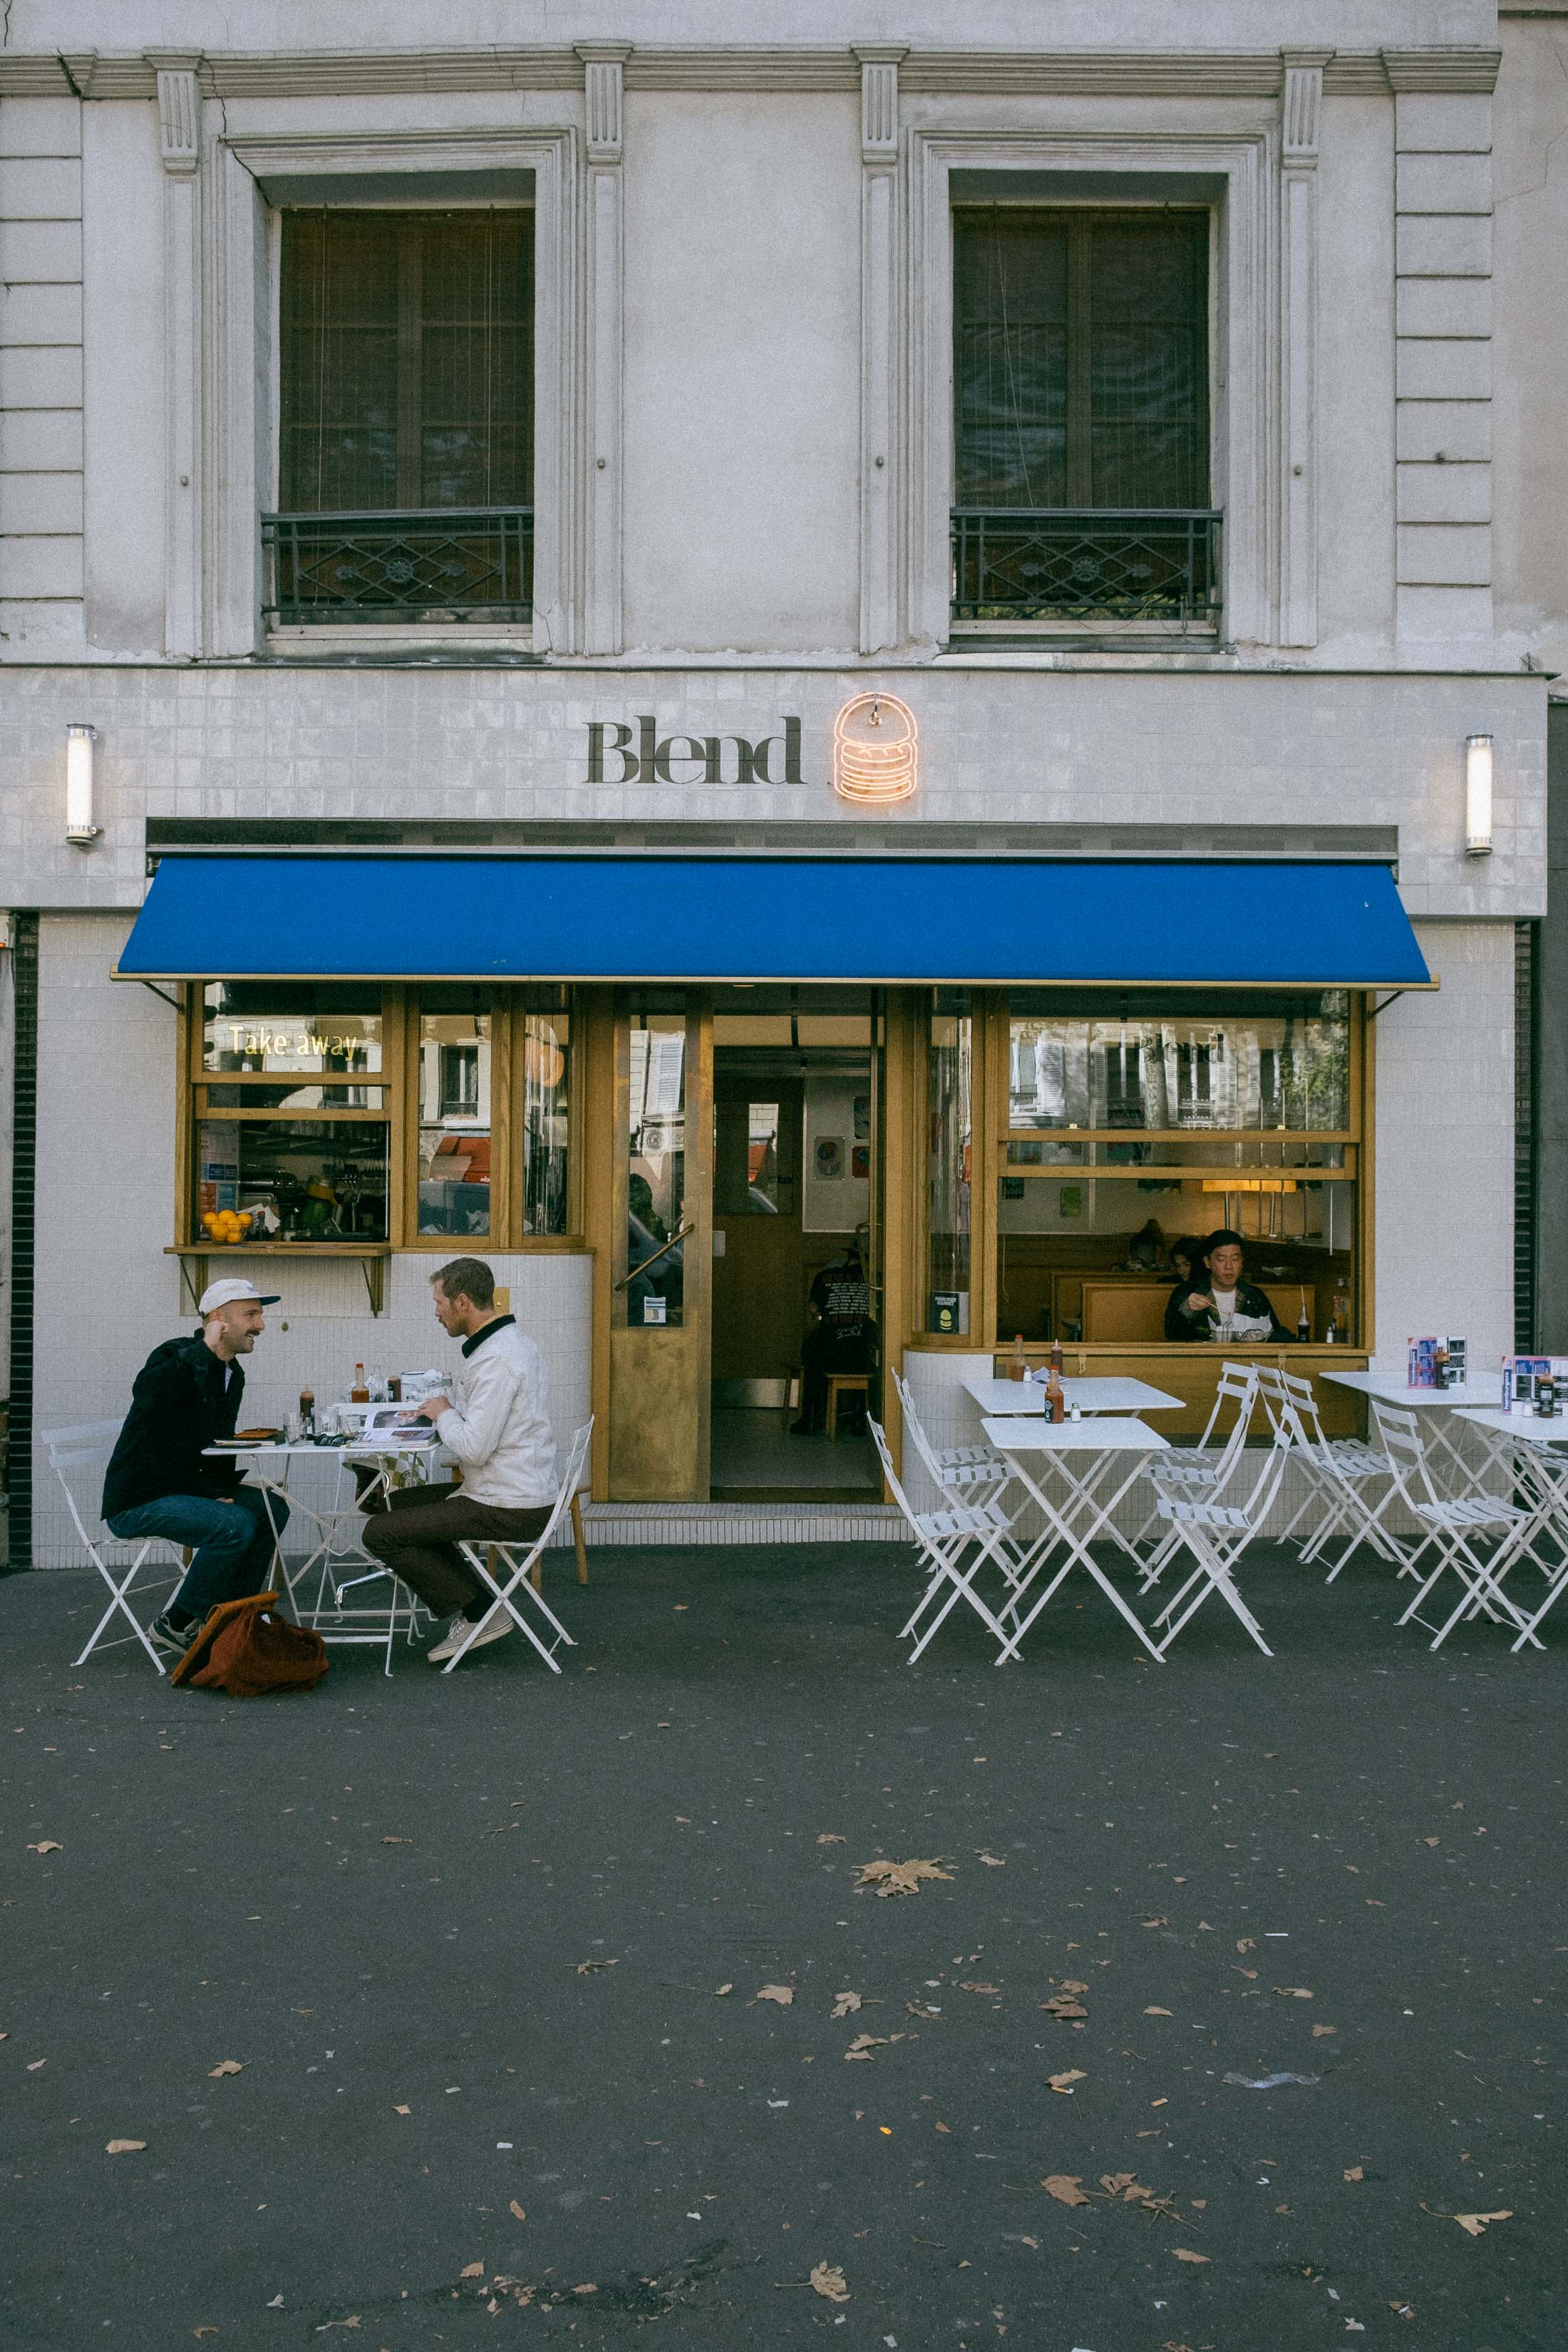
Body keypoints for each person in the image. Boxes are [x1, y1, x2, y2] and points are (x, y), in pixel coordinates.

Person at [361, 1257, 557, 1665]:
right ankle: (480, 1605)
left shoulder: (496, 1359)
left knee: (380, 1532)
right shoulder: (508, 1343)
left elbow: (473, 1448)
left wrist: (442, 1414)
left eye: (439, 1303)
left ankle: (477, 1612)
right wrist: (448, 1409)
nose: (436, 1312)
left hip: (507, 1505)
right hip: (507, 1490)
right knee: (392, 1505)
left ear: (462, 1301)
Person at [103, 1276, 289, 1654]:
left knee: (272, 1509)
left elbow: (212, 1447)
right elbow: (150, 1394)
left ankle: (234, 1616)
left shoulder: (232, 1372)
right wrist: (205, 1348)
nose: (261, 1325)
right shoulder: (174, 1356)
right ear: (218, 1318)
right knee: (234, 1525)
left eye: (261, 1315)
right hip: (139, 1499)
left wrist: (214, 1492)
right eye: (251, 1314)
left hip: (184, 1490)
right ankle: (178, 1622)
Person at [790, 1242, 877, 1434]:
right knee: (866, 1355)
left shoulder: (826, 1276)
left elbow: (813, 1308)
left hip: (830, 1351)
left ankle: (810, 1419)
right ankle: (859, 1419)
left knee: (812, 1352)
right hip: (861, 1352)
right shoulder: (875, 1281)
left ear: (848, 1257)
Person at [1165, 1228, 1292, 1344]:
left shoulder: (1254, 1296)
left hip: (1245, 1365)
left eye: (1235, 1259)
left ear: (1242, 1262)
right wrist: (1186, 1309)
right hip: (1202, 1365)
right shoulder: (1187, 1292)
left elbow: (1275, 1338)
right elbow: (1172, 1334)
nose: (1229, 1267)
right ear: (1207, 1262)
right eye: (1221, 1259)